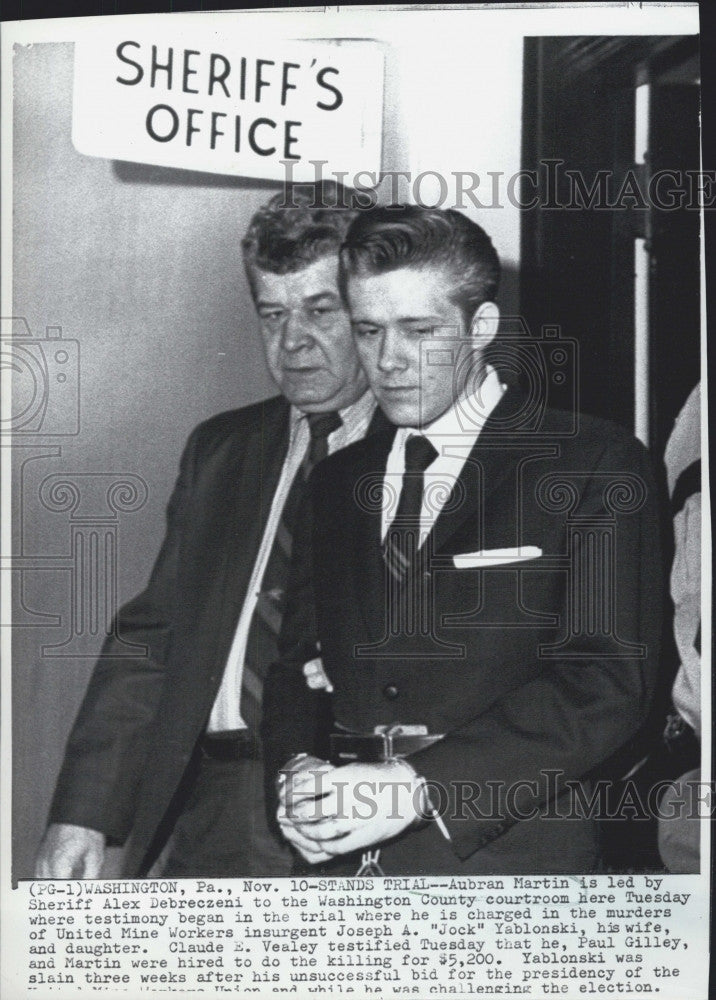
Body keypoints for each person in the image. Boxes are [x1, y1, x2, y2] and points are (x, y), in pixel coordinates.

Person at [263, 204, 665, 875]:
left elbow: (606, 680)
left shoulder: (591, 461)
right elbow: (296, 665)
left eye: (418, 331)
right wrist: (294, 770)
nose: (387, 361)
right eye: (368, 330)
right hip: (339, 873)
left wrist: (419, 786)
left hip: (511, 868)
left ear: (480, 326)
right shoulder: (336, 481)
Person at [35, 181, 379, 879]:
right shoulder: (223, 450)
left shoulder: (432, 453)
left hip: (351, 807)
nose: (292, 342)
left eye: (320, 311)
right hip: (210, 802)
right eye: (271, 313)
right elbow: (153, 635)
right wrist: (84, 812)